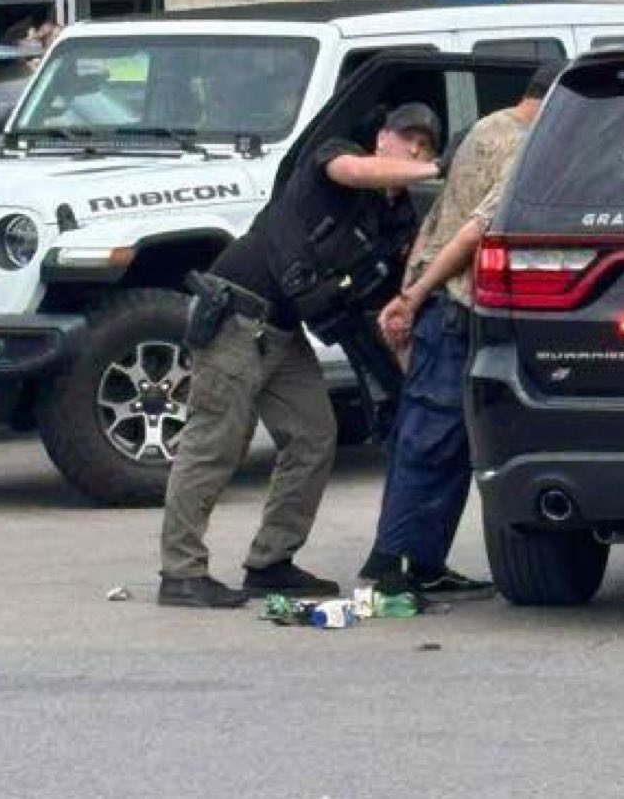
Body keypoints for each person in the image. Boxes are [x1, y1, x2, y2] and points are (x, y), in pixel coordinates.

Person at [158, 102, 442, 609]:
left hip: (284, 332)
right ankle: (181, 573)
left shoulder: (393, 219)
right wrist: (436, 170)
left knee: (314, 437)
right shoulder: (335, 160)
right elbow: (355, 171)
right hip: (236, 315)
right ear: (383, 140)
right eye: (408, 141)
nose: (415, 150)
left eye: (426, 145)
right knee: (214, 443)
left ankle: (271, 561)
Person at [358, 63, 565, 599]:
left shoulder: (483, 128)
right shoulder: (526, 146)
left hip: (434, 307)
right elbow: (474, 230)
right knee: (436, 440)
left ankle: (418, 562)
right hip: (455, 304)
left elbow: (437, 218)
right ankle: (396, 565)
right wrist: (417, 293)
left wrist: (406, 297)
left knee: (426, 438)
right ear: (551, 100)